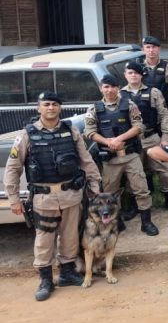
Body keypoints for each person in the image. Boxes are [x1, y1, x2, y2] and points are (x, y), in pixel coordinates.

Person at [3, 91, 101, 301]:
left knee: (70, 236)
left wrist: (95, 185)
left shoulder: (71, 131)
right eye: (46, 104)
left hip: (71, 195)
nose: (50, 108)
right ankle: (46, 279)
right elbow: (13, 168)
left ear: (60, 108)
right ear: (38, 107)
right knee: (44, 239)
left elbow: (86, 160)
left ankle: (67, 273)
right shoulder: (27, 135)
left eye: (54, 104)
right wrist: (13, 199)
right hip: (44, 198)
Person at [84, 75, 159, 236]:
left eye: (113, 87)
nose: (110, 90)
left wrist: (119, 139)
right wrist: (107, 141)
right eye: (106, 87)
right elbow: (89, 132)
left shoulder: (129, 105)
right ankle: (115, 224)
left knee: (141, 189)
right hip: (110, 160)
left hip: (130, 155)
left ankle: (146, 222)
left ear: (118, 88)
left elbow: (139, 126)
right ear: (101, 89)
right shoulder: (94, 109)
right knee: (108, 194)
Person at [121, 61, 168, 214]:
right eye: (130, 72)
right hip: (132, 141)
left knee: (165, 169)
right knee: (134, 173)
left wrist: (165, 137)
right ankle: (134, 204)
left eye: (136, 73)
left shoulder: (154, 92)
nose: (133, 75)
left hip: (152, 138)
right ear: (125, 75)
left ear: (141, 75)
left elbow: (164, 116)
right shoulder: (120, 95)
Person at [136, 35, 168, 116]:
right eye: (148, 47)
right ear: (143, 50)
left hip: (166, 111)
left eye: (154, 47)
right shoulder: (138, 68)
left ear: (159, 49)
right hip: (145, 111)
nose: (151, 50)